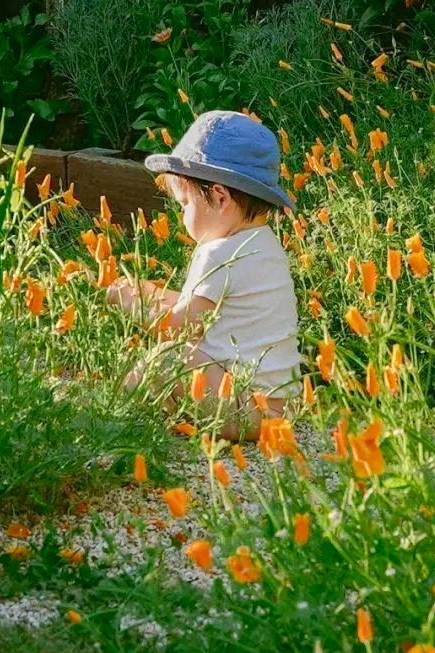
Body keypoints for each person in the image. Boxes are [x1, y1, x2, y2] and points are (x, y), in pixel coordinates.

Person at [105, 110, 302, 441]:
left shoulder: (220, 253)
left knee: (169, 359)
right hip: (277, 406)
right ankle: (135, 403)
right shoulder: (263, 243)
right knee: (175, 362)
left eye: (184, 205)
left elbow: (185, 326)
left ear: (219, 197)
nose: (181, 215)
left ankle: (115, 410)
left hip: (246, 407)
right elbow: (205, 309)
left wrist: (130, 303)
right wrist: (152, 293)